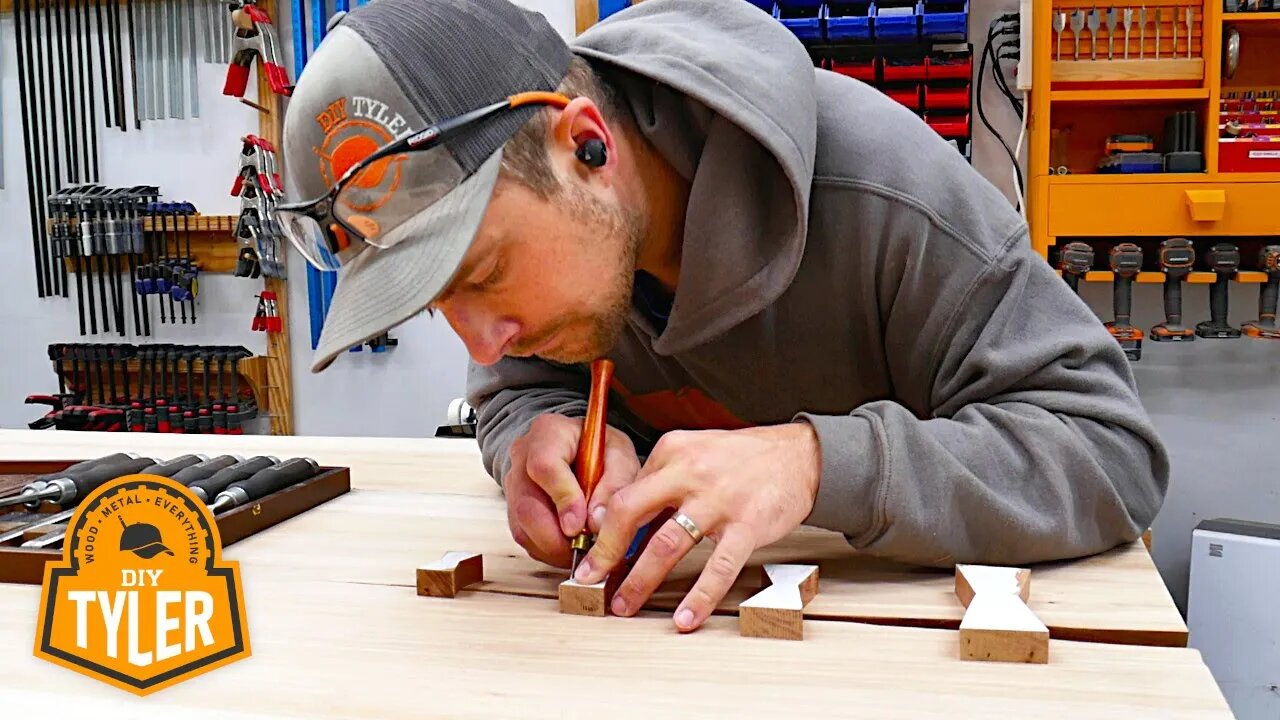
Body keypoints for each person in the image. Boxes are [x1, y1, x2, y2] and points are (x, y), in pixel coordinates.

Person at [278, 0, 1170, 633]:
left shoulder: (890, 196)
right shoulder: (555, 259)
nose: (479, 339)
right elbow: (514, 388)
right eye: (438, 303)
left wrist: (819, 462)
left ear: (585, 143)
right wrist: (531, 440)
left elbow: (1111, 454)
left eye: (484, 274)